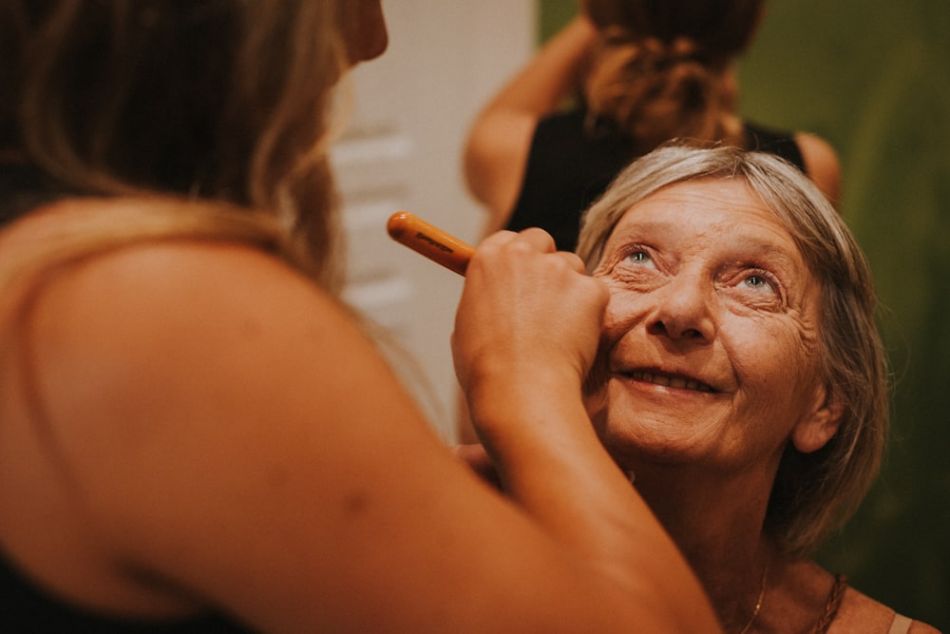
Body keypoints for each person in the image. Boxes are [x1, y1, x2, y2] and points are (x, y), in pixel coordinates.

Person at [0, 1, 725, 632]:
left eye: (751, 279)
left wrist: (412, 494)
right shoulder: (155, 300)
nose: (371, 39)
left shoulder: (47, 251)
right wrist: (526, 379)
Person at [573, 142, 938, 633]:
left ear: (823, 405)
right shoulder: (440, 543)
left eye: (756, 283)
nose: (680, 310)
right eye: (639, 257)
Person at [463, 0, 842, 254]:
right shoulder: (808, 169)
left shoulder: (514, 150)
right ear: (748, 25)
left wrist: (602, 16)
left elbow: (497, 119)